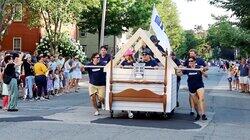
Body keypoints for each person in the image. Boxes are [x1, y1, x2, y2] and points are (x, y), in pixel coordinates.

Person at [183, 49, 208, 116]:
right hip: (191, 83)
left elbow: (206, 68)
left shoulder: (200, 60)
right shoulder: (187, 60)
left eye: (192, 53)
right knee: (191, 96)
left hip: (198, 80)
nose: (190, 55)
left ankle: (202, 113)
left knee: (200, 98)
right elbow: (183, 68)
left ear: (195, 54)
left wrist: (203, 69)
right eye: (190, 54)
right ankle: (192, 109)